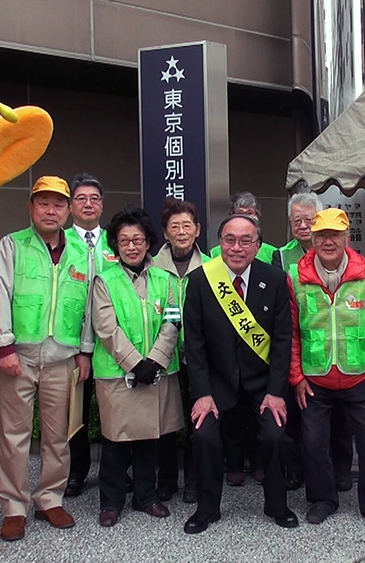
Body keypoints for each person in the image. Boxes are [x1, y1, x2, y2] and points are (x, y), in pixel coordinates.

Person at [0, 176, 92, 541]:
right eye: (43, 202)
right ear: (30, 207)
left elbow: (89, 307)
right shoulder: (10, 247)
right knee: (14, 435)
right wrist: (4, 347)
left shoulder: (81, 254)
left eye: (58, 204)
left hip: (63, 357)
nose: (51, 210)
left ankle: (49, 497)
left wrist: (84, 352)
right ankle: (14, 506)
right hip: (20, 357)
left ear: (68, 210)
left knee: (57, 435)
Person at [183, 214, 298, 534]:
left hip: (263, 385)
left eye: (245, 240)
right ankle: (207, 509)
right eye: (229, 239)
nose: (236, 247)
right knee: (204, 435)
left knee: (276, 435)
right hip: (216, 385)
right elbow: (194, 344)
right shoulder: (201, 280)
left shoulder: (274, 279)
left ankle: (277, 505)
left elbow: (282, 340)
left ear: (258, 245)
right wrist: (202, 393)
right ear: (219, 243)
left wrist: (276, 391)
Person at [289, 208, 365, 529]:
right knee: (313, 442)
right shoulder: (296, 277)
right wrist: (295, 377)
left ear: (347, 238)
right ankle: (323, 499)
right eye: (321, 235)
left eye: (335, 234)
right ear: (312, 238)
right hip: (315, 378)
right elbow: (291, 333)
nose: (328, 241)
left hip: (359, 375)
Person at [90, 205, 183, 527]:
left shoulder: (166, 279)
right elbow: (106, 328)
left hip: (157, 372)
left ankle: (147, 496)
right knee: (116, 441)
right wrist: (134, 363)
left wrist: (155, 360)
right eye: (124, 240)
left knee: (149, 438)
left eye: (138, 239)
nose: (132, 246)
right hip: (118, 374)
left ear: (148, 242)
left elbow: (173, 320)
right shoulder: (105, 280)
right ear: (115, 244)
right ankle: (111, 503)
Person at [274, 192, 355, 492]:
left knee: (340, 418)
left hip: (338, 349)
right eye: (298, 221)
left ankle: (342, 469)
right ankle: (298, 469)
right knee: (298, 415)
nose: (304, 226)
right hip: (299, 345)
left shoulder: (340, 250)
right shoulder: (281, 256)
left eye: (310, 220)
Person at [209, 191, 275, 486]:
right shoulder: (213, 258)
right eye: (241, 212)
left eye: (252, 214)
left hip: (258, 354)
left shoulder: (271, 254)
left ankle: (260, 464)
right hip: (224, 353)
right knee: (231, 417)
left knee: (259, 417)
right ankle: (233, 463)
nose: (237, 246)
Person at [152, 197, 210, 503]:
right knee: (164, 420)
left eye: (187, 225)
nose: (181, 231)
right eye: (175, 226)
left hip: (197, 357)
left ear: (197, 230)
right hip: (162, 356)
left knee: (194, 418)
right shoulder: (152, 268)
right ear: (165, 232)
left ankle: (193, 479)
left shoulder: (212, 266)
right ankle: (167, 479)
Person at [65, 172, 110, 498]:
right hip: (71, 344)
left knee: (112, 410)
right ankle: (75, 472)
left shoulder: (117, 241)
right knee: (74, 413)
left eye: (94, 199)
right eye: (81, 199)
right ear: (70, 206)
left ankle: (114, 472)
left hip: (111, 344)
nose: (88, 204)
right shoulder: (60, 241)